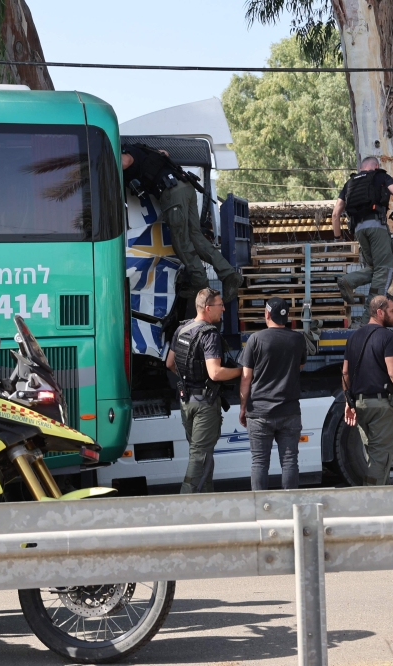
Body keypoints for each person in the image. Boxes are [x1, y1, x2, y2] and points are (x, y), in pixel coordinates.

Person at [122, 144, 241, 304]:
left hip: (172, 193)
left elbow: (125, 161)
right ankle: (229, 275)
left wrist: (106, 165)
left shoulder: (126, 154)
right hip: (186, 187)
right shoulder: (145, 150)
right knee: (195, 236)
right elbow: (165, 152)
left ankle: (200, 286)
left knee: (181, 243)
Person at [165, 288, 241, 494]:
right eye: (220, 305)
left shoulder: (182, 329)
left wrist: (189, 378)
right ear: (208, 308)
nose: (223, 309)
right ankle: (186, 501)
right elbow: (215, 373)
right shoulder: (209, 334)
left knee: (203, 456)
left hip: (186, 402)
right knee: (199, 457)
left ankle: (207, 502)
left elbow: (170, 363)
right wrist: (242, 371)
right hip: (204, 405)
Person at [341, 295, 393, 486]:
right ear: (379, 312)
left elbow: (345, 373)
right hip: (380, 407)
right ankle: (372, 496)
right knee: (380, 458)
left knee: (373, 455)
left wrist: (348, 402)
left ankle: (374, 492)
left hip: (360, 405)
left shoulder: (353, 338)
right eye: (392, 311)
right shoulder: (387, 337)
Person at [238, 297, 307, 490]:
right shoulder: (297, 339)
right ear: (287, 316)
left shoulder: (255, 339)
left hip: (259, 412)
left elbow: (246, 377)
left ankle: (260, 506)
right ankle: (291, 504)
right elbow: (300, 366)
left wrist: (243, 408)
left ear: (267, 314)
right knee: (290, 461)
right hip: (289, 411)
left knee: (259, 462)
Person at [331, 156, 393, 323]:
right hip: (377, 228)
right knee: (384, 271)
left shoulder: (349, 183)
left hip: (359, 230)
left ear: (361, 168)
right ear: (376, 166)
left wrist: (338, 238)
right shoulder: (381, 176)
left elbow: (335, 214)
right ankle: (368, 320)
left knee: (375, 268)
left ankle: (349, 280)